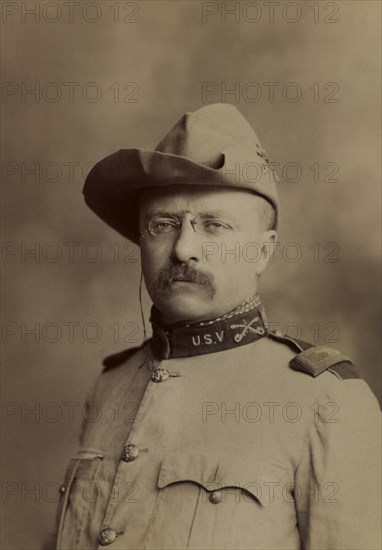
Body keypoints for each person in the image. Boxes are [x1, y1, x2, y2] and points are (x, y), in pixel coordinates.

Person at [55, 104, 380, 550]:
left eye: (215, 226)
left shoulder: (325, 401)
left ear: (263, 252)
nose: (184, 248)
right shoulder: (110, 385)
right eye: (163, 224)